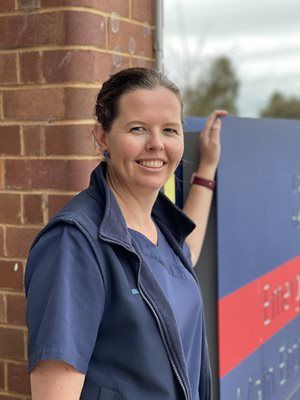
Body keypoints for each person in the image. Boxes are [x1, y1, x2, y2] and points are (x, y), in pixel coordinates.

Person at [25, 67, 227, 400]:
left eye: (170, 130)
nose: (157, 144)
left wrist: (206, 169)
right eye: (138, 129)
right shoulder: (74, 243)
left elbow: (183, 258)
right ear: (103, 137)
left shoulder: (159, 223)